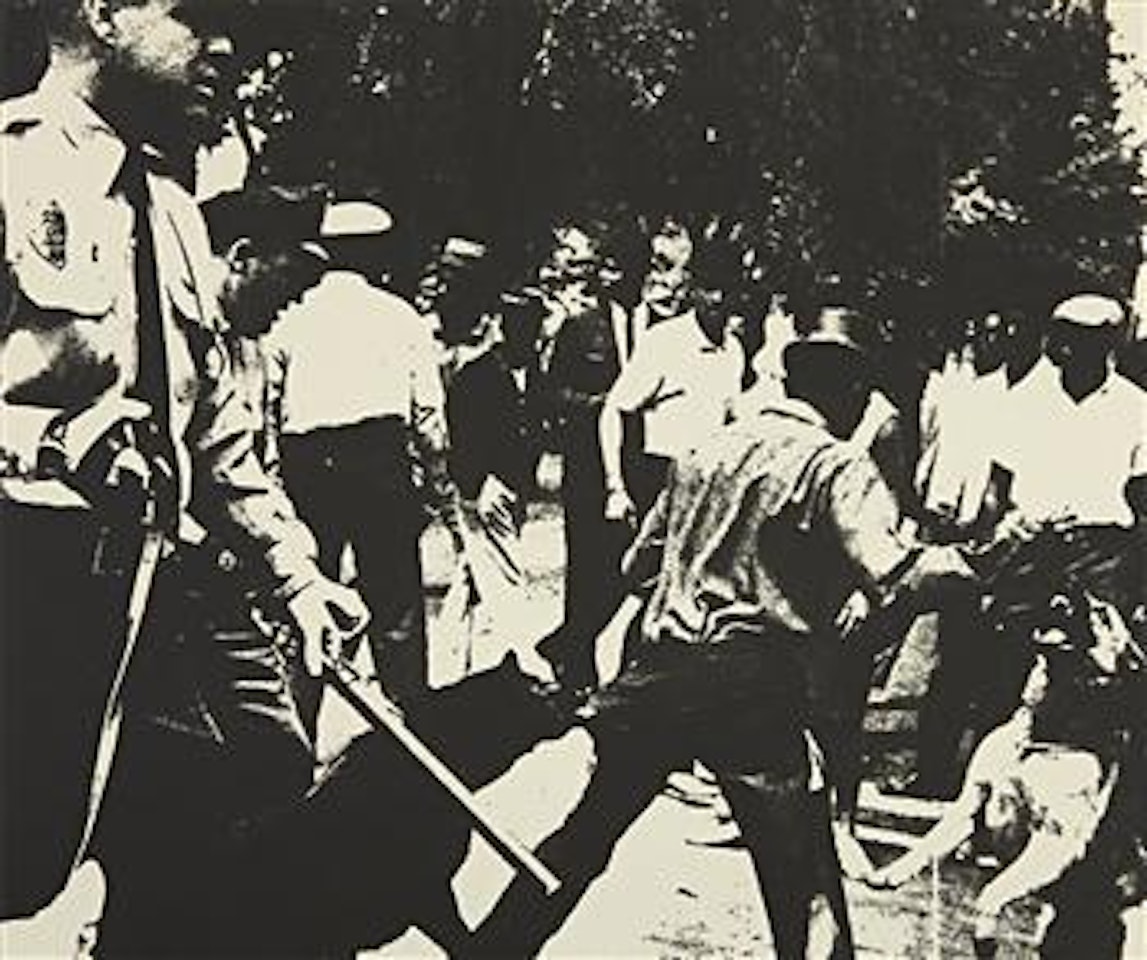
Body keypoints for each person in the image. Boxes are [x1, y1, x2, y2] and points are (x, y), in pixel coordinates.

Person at [0, 0, 367, 943]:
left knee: (238, 797)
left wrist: (299, 577)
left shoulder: (169, 212)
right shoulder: (9, 169)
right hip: (21, 599)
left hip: (143, 604)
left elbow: (215, 432)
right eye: (196, 15)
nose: (226, 48)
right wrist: (46, 444)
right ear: (102, 13)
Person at [465, 307, 976, 959]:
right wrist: (978, 566)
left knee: (584, 837)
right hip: (751, 685)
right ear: (850, 389)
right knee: (803, 878)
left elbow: (635, 568)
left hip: (662, 671)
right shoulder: (835, 466)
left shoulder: (704, 450)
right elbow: (894, 571)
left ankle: (491, 952)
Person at [266, 201, 459, 708]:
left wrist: (273, 484)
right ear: (377, 255)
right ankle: (412, 723)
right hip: (378, 462)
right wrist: (438, 484)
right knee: (396, 608)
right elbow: (428, 417)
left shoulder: (290, 315)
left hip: (308, 466)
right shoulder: (400, 317)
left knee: (308, 596)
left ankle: (297, 725)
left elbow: (268, 408)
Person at [533, 224, 633, 690]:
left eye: (623, 268)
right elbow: (549, 393)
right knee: (588, 565)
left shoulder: (663, 329)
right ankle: (578, 669)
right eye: (607, 268)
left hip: (641, 464)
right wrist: (604, 406)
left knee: (633, 568)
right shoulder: (581, 326)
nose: (614, 277)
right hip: (588, 466)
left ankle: (567, 642)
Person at [598, 230, 746, 527]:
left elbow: (732, 420)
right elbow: (614, 411)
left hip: (710, 487)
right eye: (709, 289)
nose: (717, 299)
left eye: (726, 290)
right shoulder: (664, 341)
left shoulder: (733, 349)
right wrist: (616, 487)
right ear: (693, 289)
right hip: (661, 479)